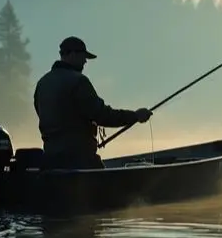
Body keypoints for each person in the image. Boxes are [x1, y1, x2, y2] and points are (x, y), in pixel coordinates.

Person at [33, 36, 152, 169]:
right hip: (80, 161)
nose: (85, 61)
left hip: (51, 162)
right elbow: (102, 115)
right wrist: (135, 116)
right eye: (83, 56)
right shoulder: (78, 81)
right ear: (71, 54)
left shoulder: (42, 84)